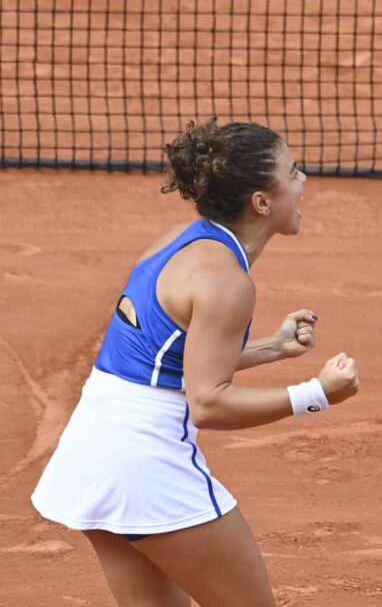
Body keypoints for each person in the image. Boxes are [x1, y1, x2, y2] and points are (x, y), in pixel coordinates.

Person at [31, 119, 360, 607]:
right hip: (145, 465)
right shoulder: (227, 282)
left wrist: (272, 347)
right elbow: (207, 402)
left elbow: (164, 364)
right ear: (261, 202)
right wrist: (316, 394)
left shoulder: (179, 239)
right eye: (293, 173)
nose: (303, 180)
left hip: (93, 453)